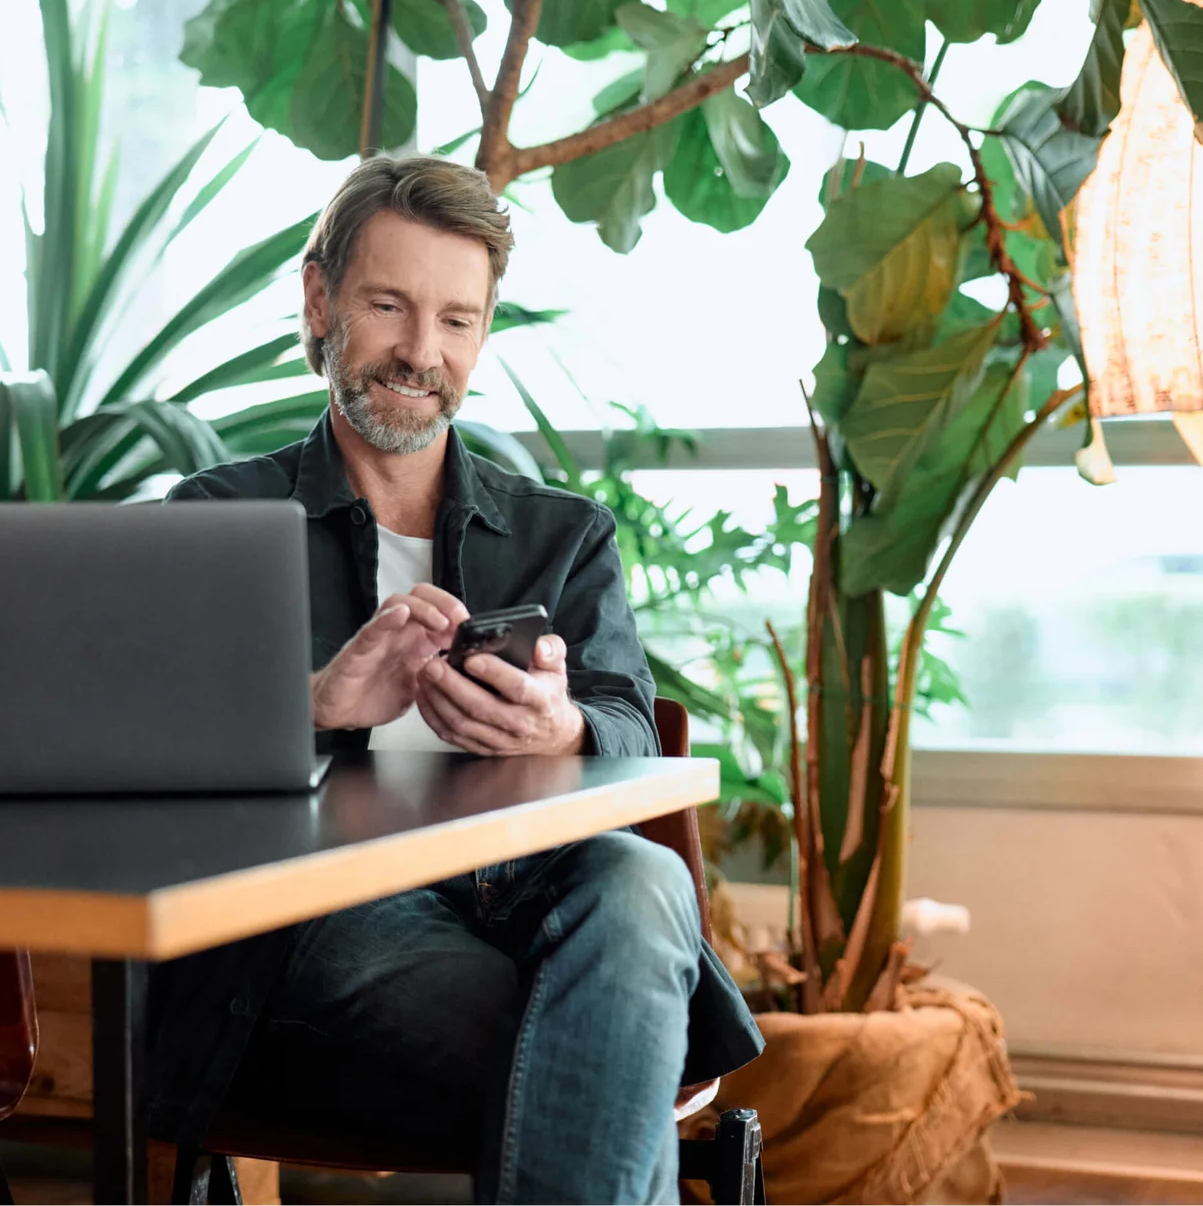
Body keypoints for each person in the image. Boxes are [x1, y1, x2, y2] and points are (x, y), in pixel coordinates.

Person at [147, 156, 763, 1204]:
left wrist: (563, 731)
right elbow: (144, 744)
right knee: (587, 1042)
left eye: (457, 321)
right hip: (320, 919)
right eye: (388, 305)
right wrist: (316, 705)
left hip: (533, 887)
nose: (421, 353)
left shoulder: (562, 535)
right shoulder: (215, 522)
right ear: (319, 300)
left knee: (646, 880)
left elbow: (629, 725)